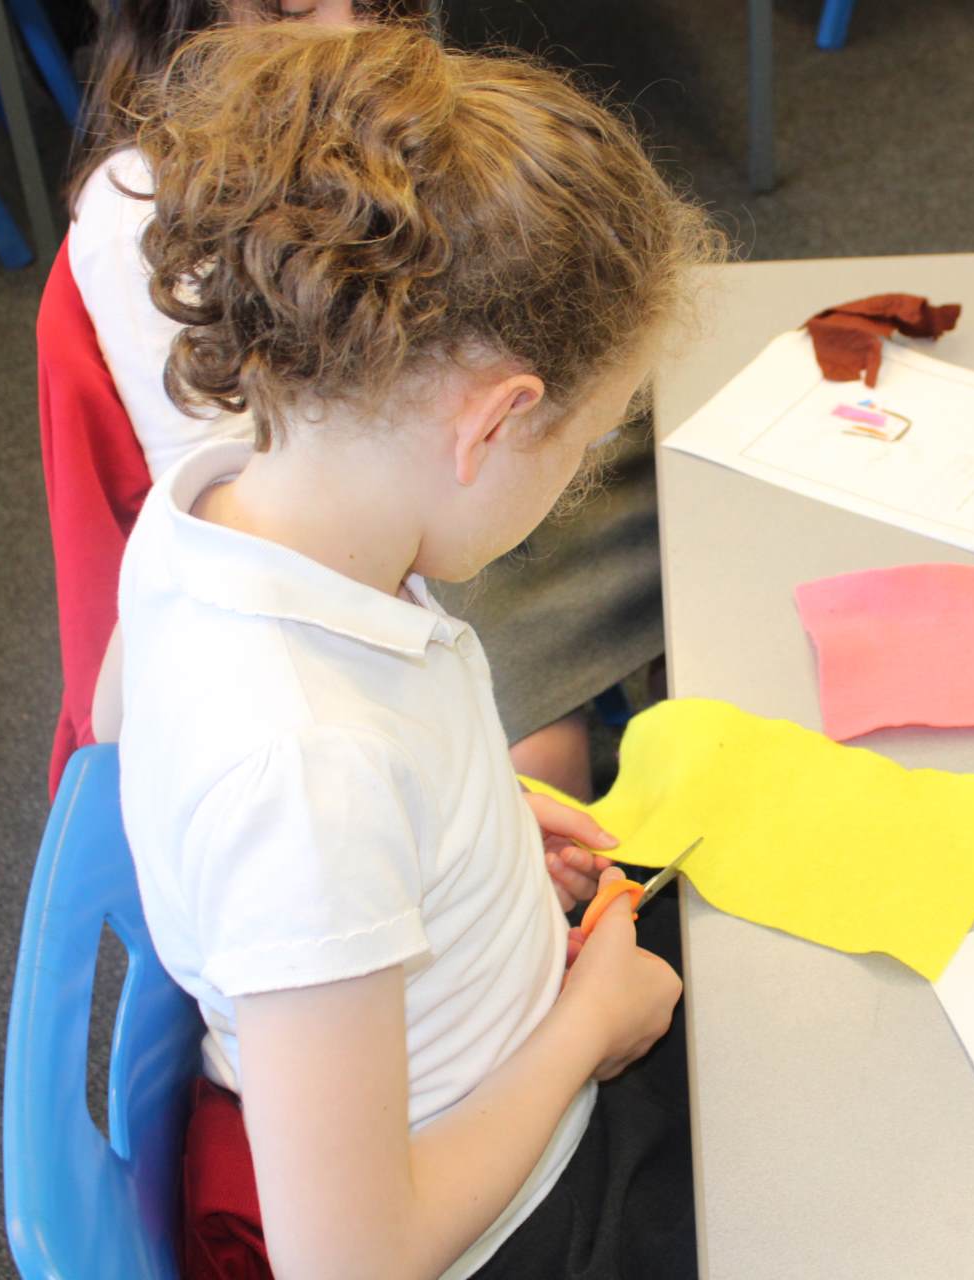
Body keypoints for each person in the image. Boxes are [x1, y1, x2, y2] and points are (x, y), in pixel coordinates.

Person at [114, 21, 722, 1278]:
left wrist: (468, 837)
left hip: (501, 1037)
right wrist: (586, 1030)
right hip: (517, 1216)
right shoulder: (306, 778)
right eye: (585, 446)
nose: (576, 482)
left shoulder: (227, 507)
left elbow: (327, 790)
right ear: (491, 426)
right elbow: (353, 1260)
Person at [64, 0, 653, 800]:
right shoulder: (310, 766)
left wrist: (489, 842)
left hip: (395, 491)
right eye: (298, 9)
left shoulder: (193, 527)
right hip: (388, 514)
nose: (349, 32)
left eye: (369, 3)